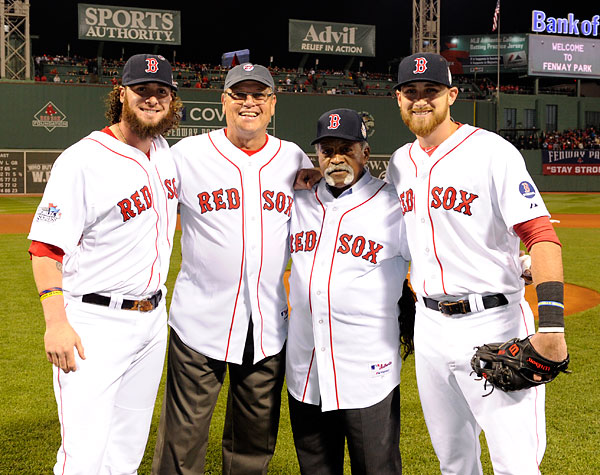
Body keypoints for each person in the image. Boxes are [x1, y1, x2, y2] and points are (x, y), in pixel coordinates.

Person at [386, 52, 568, 474]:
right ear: (398, 99)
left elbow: (542, 236)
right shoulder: (400, 162)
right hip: (429, 326)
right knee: (453, 462)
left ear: (451, 95)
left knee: (515, 465)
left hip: (493, 322)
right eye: (410, 92)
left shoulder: (491, 152)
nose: (420, 100)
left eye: (430, 91)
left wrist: (553, 327)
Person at [152, 63, 316, 475]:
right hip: (199, 324)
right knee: (181, 443)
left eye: (258, 94)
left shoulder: (292, 156)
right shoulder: (186, 155)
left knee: (253, 445)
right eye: (239, 94)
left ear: (272, 104)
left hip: (266, 327)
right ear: (223, 101)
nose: (249, 102)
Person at [27, 53, 181, 474]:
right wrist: (56, 322)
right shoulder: (82, 160)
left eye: (161, 92)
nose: (152, 99)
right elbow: (45, 249)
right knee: (84, 456)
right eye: (142, 90)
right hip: (94, 325)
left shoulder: (166, 153)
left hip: (151, 322)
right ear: (121, 94)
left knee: (126, 453)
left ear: (172, 100)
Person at [286, 108, 412, 475]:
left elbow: (442, 253)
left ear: (365, 153)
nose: (336, 157)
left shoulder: (394, 205)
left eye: (347, 148)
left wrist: (515, 265)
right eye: (327, 150)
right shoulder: (299, 201)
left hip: (368, 372)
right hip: (306, 369)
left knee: (376, 469)